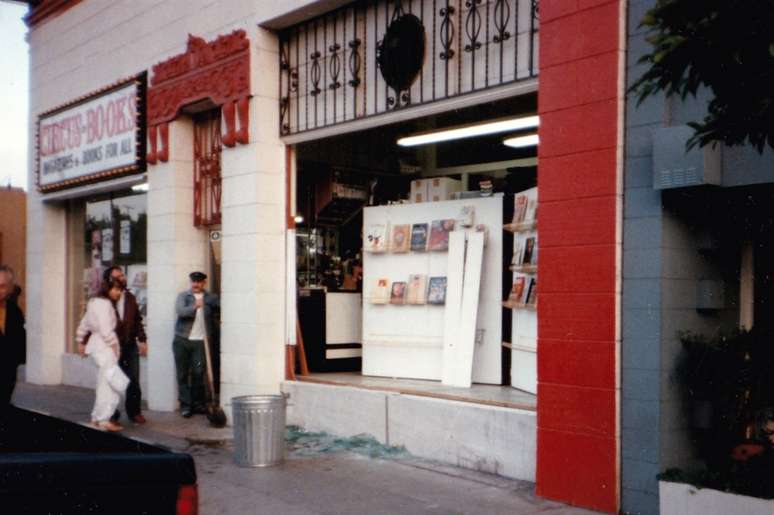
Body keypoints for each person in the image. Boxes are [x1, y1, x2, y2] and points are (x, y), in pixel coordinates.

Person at [75, 278, 129, 432]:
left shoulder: (94, 303)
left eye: (120, 290)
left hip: (96, 346)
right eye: (116, 289)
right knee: (108, 385)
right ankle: (103, 419)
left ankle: (96, 419)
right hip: (104, 347)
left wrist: (80, 341)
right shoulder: (105, 305)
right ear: (108, 289)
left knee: (104, 383)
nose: (118, 293)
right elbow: (106, 330)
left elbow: (84, 324)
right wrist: (114, 347)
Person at [103, 266, 148, 425]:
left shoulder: (130, 297)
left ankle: (134, 412)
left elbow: (137, 320)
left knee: (133, 380)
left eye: (122, 275)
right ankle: (111, 414)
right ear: (109, 280)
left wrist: (142, 339)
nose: (122, 278)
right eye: (117, 277)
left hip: (129, 345)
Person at [173, 271, 219, 418]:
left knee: (199, 373)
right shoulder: (183, 296)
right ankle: (186, 406)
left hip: (200, 341)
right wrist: (194, 306)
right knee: (182, 374)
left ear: (204, 283)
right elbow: (180, 311)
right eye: (193, 281)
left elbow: (221, 308)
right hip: (182, 340)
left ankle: (198, 404)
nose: (196, 284)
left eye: (199, 282)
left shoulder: (211, 298)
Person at [0, 266, 25, 409]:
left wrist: (17, 359)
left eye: (3, 286)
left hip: (8, 368)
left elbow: (19, 337)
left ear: (10, 288)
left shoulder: (15, 311)